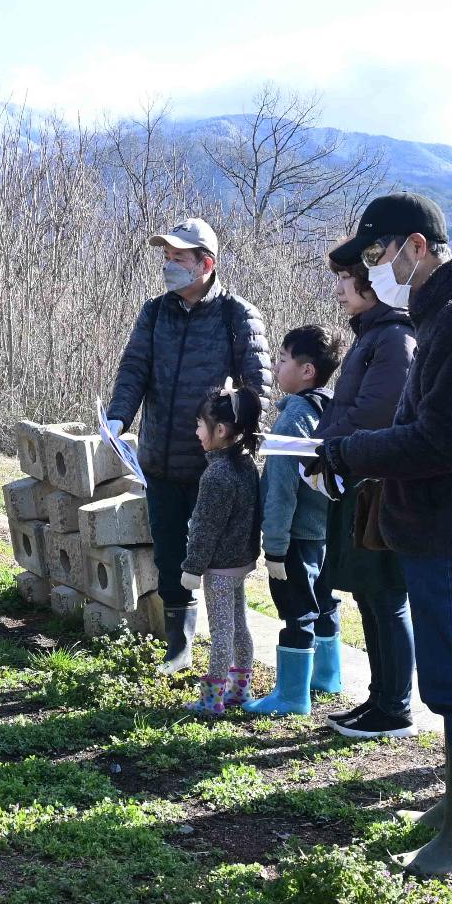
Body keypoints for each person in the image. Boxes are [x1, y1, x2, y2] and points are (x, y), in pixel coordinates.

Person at [309, 192, 452, 877]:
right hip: (450, 522)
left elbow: (446, 439)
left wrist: (352, 451)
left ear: (417, 245)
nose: (377, 268)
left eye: (380, 254)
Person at [106, 219, 273, 675]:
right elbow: (134, 369)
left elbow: (257, 390)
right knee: (168, 554)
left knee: (221, 562)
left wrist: (234, 440)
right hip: (160, 457)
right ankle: (178, 644)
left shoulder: (238, 316)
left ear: (206, 263)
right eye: (167, 256)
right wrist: (119, 417)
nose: (169, 265)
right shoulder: (155, 312)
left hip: (215, 468)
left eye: (179, 257)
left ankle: (230, 655)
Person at [315, 251, 418, 740]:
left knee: (386, 596)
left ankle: (395, 707)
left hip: (379, 486)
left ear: (372, 284)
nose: (338, 288)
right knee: (369, 595)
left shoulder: (395, 338)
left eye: (346, 279)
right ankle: (379, 698)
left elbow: (376, 412)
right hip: (359, 479)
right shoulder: (373, 336)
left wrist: (327, 447)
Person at [244, 326, 345, 716]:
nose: (276, 364)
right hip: (324, 532)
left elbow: (282, 489)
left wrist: (275, 547)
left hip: (297, 535)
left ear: (307, 371)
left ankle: (291, 696)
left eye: (283, 359)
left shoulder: (293, 420)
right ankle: (327, 676)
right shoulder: (333, 408)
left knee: (295, 610)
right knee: (324, 601)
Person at [178, 385, 264, 714]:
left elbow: (204, 527)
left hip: (219, 569)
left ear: (221, 430)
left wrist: (192, 568)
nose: (197, 431)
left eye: (200, 424)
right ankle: (240, 689)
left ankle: (211, 699)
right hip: (241, 562)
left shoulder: (217, 474)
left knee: (222, 631)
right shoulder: (246, 464)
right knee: (239, 626)